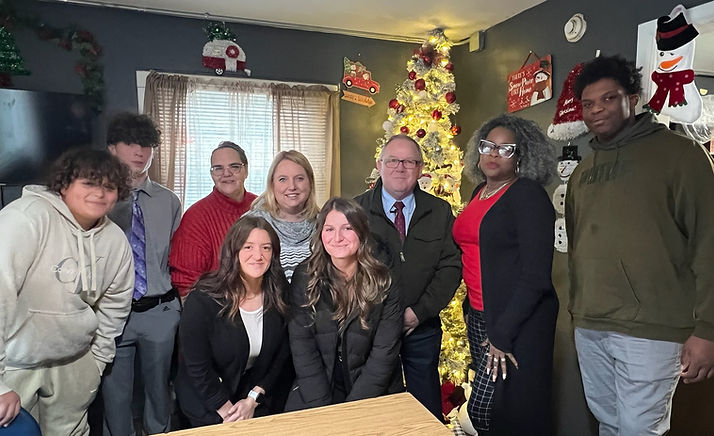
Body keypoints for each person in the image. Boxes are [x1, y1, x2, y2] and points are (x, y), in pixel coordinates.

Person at [566, 54, 714, 435]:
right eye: (588, 104)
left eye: (609, 98)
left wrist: (708, 329)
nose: (597, 110)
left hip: (653, 328)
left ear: (633, 97)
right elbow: (578, 248)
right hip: (591, 324)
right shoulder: (584, 171)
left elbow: (709, 244)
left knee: (638, 429)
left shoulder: (680, 156)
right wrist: (578, 311)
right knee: (609, 424)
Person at [0, 148, 134, 435]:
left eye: (109, 187)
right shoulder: (24, 218)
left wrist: (96, 364)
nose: (99, 193)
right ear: (63, 184)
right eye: (89, 183)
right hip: (15, 365)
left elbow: (115, 307)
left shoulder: (115, 240)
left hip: (75, 364)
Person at [455, 114, 558, 435]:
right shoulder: (479, 193)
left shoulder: (527, 195)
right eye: (487, 146)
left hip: (515, 321)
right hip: (480, 313)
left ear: (521, 156)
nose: (493, 154)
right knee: (493, 404)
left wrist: (502, 333)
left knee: (494, 408)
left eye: (505, 149)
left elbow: (536, 274)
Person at [354, 134, 462, 420]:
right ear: (379, 165)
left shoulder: (439, 211)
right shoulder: (356, 211)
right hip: (371, 331)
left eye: (409, 161)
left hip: (421, 327)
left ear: (420, 168)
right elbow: (346, 270)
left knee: (425, 407)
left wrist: (419, 313)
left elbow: (450, 267)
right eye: (393, 161)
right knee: (374, 407)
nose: (400, 168)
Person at [101, 113, 182, 435]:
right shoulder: (98, 199)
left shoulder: (169, 201)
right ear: (112, 148)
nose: (140, 151)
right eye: (131, 143)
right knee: (114, 395)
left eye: (146, 145)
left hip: (160, 311)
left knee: (159, 393)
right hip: (113, 314)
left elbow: (178, 256)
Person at [285, 197, 403, 410]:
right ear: (320, 234)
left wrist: (351, 411)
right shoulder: (304, 276)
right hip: (317, 386)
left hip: (372, 388)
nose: (337, 237)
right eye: (329, 229)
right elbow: (303, 348)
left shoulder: (384, 279)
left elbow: (384, 353)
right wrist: (322, 408)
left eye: (347, 228)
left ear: (361, 232)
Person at [175, 216, 291, 427]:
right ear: (233, 251)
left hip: (254, 397)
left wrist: (254, 398)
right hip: (206, 400)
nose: (258, 255)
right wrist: (229, 413)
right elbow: (196, 366)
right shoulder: (204, 299)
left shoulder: (278, 290)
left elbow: (282, 352)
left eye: (266, 248)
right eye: (248, 247)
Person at [170, 141, 258, 297]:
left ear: (246, 170)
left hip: (262, 303)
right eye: (218, 168)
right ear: (211, 174)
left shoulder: (261, 208)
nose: (226, 173)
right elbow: (185, 284)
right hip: (216, 308)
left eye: (234, 166)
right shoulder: (196, 216)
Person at [246, 150, 319, 281]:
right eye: (282, 179)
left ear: (310, 183)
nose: (292, 186)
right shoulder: (251, 224)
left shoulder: (324, 224)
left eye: (300, 179)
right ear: (272, 184)